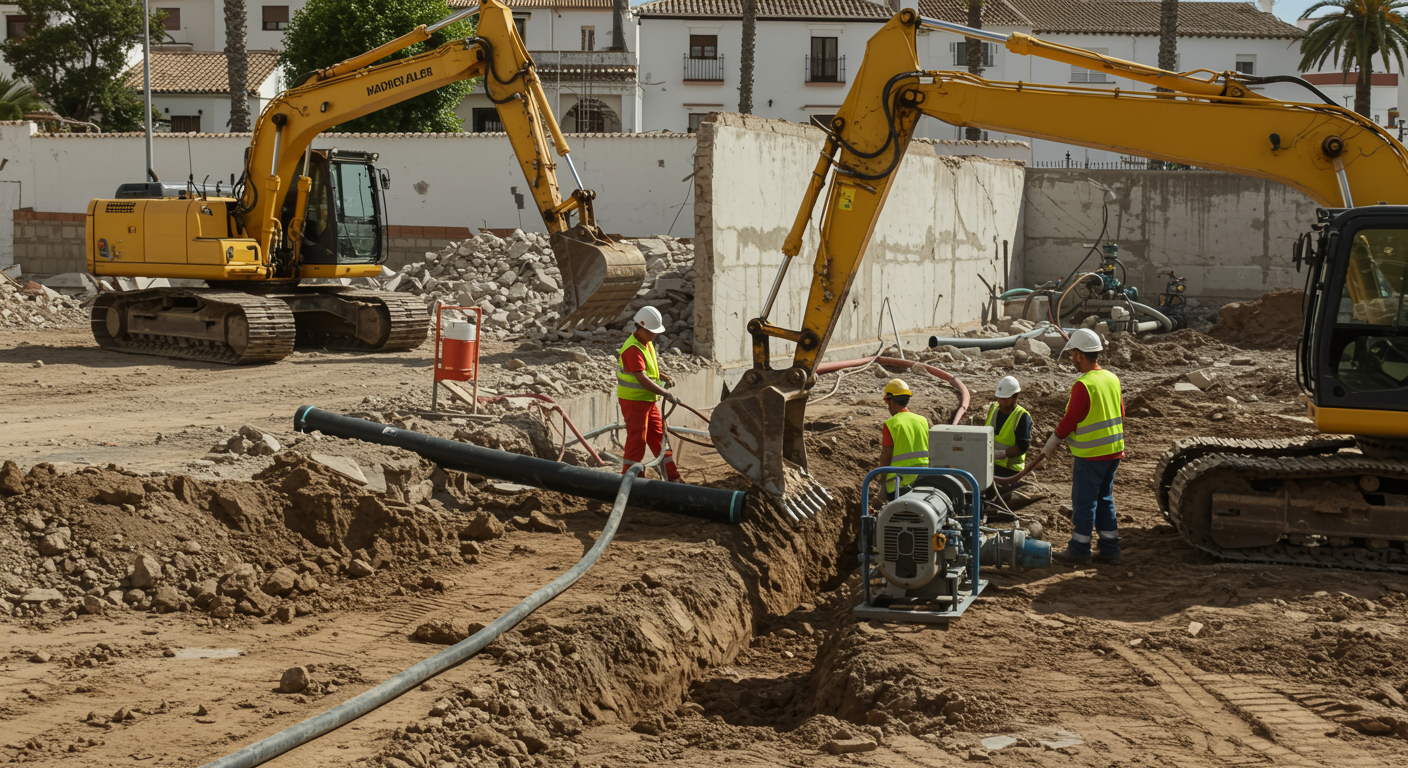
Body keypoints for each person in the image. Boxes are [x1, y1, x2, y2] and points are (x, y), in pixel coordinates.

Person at [1034, 328, 1125, 565]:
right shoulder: (1111, 378)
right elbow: (1121, 412)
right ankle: (1110, 548)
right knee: (1105, 498)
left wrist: (1052, 442)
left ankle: (1080, 549)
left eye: (1073, 354)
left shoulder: (1083, 385)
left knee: (1084, 502)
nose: (1072, 359)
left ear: (1080, 355)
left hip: (1091, 455)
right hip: (1113, 451)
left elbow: (1070, 420)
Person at [616, 306, 682, 482]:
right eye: (651, 332)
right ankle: (631, 480)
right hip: (634, 401)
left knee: (659, 438)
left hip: (648, 400)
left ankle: (673, 477)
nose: (654, 335)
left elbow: (648, 370)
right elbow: (641, 377)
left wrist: (663, 376)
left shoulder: (647, 343)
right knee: (637, 440)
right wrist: (665, 393)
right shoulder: (632, 348)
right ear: (640, 327)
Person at [879, 378, 930, 500]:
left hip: (898, 484)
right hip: (923, 480)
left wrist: (882, 482)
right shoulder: (922, 420)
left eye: (886, 401)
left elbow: (886, 455)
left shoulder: (891, 424)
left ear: (890, 401)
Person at [986, 376, 1031, 480]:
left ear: (1015, 397)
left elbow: (1022, 447)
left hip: (1010, 470)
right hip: (990, 464)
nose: (1001, 403)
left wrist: (1000, 454)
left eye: (1005, 400)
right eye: (999, 399)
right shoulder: (993, 408)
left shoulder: (1022, 416)